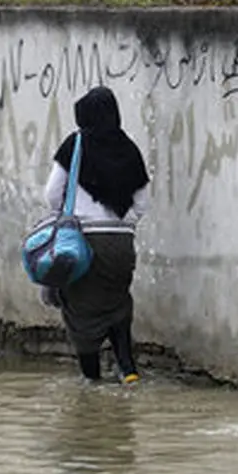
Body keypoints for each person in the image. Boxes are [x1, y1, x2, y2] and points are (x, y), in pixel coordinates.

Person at [41, 86, 151, 385]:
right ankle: (128, 370)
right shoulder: (129, 149)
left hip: (83, 243)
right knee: (117, 304)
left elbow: (52, 194)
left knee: (80, 311)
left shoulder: (75, 144)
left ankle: (91, 381)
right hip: (122, 245)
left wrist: (71, 217)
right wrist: (122, 223)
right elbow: (142, 202)